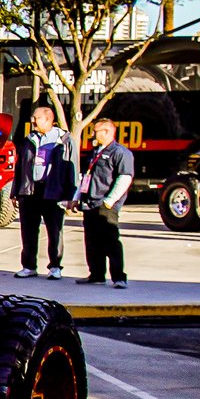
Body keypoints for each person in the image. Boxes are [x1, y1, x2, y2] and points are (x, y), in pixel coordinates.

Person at [14, 103, 74, 278]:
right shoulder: (29, 139)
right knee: (28, 230)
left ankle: (55, 266)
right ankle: (29, 266)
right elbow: (20, 167)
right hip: (31, 191)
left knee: (54, 231)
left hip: (53, 191)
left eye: (36, 118)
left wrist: (70, 195)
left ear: (48, 119)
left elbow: (72, 168)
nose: (33, 121)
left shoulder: (63, 140)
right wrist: (16, 191)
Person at [76, 119, 136, 288]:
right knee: (92, 241)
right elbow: (85, 177)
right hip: (90, 202)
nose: (93, 135)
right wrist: (77, 197)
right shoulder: (95, 152)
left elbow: (124, 178)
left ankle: (118, 277)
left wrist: (110, 200)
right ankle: (96, 274)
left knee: (110, 240)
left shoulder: (120, 153)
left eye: (96, 131)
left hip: (105, 204)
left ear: (107, 132)